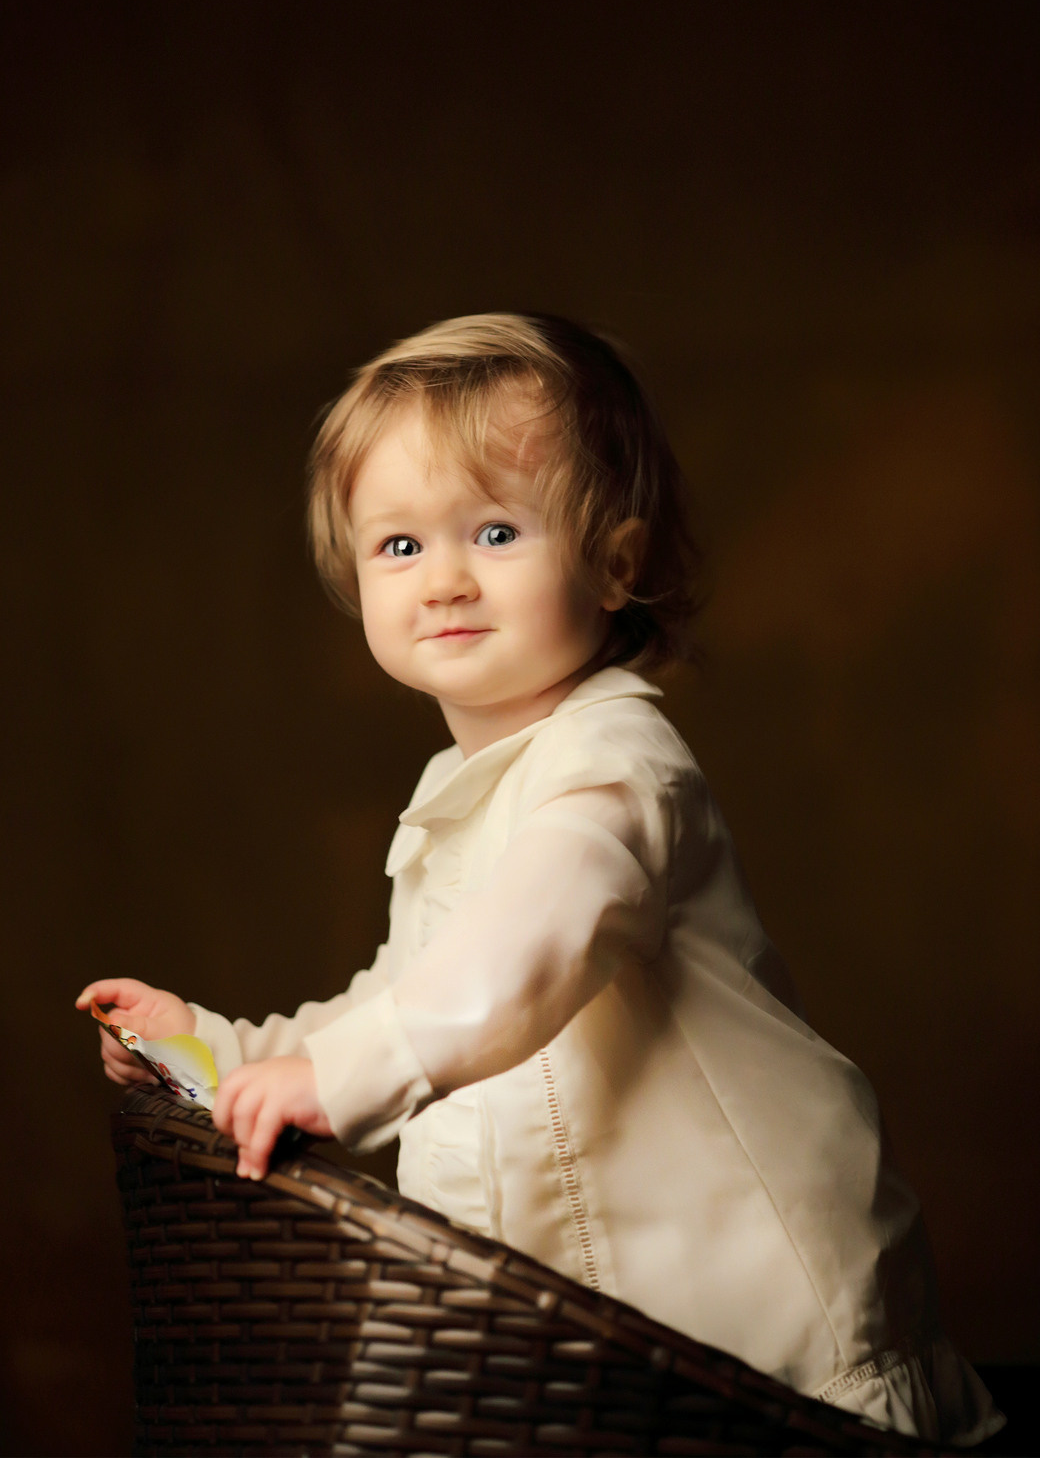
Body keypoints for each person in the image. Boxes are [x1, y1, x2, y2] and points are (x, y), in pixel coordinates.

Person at [77, 313, 1001, 1445]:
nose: (445, 579)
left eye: (497, 531)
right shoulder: (459, 785)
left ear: (613, 564)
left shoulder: (614, 762)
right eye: (400, 546)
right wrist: (225, 1052)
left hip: (749, 1337)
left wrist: (345, 1077)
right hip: (569, 1341)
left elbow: (525, 951)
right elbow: (403, 990)